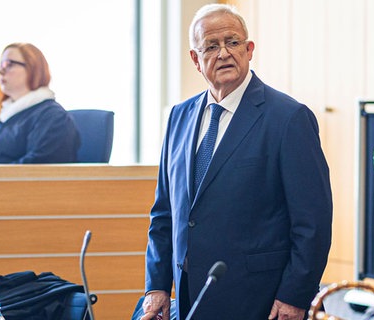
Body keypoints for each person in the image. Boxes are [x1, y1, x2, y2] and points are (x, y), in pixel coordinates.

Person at [141, 4, 333, 320]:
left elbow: (312, 222)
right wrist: (157, 286)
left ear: (249, 49)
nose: (224, 53)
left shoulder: (288, 118)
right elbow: (164, 212)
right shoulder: (179, 117)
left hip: (261, 299)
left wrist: (294, 296)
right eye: (211, 46)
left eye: (232, 42)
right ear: (195, 60)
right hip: (192, 295)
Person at [0, 42, 79, 164]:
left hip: (10, 183)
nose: (1, 71)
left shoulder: (52, 117)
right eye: (0, 65)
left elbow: (36, 167)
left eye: (8, 64)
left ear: (33, 68)